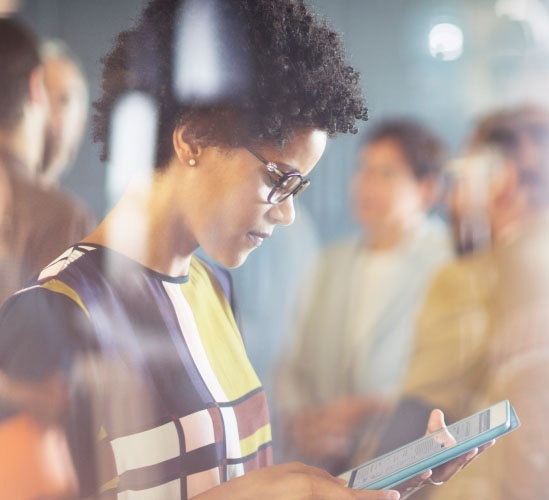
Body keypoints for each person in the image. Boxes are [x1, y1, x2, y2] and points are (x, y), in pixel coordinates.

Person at [0, 2, 489, 499]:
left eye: (298, 188)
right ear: (192, 140)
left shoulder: (212, 287)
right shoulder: (52, 315)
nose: (287, 212)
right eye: (279, 179)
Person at [375, 105, 549, 499]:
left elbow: (407, 448)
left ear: (501, 178)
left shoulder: (469, 281)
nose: (451, 199)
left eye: (462, 176)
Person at [274, 119, 452, 471]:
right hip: (323, 465)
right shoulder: (329, 262)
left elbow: (445, 380)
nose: (365, 184)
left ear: (428, 189)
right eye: (363, 169)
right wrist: (301, 422)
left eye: (386, 173)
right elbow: (291, 363)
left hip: (406, 465)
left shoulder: (449, 268)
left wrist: (366, 410)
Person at [0, 20, 94, 304]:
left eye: (67, 100)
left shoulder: (69, 217)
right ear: (35, 89)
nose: (57, 118)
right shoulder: (68, 221)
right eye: (54, 97)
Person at [38, 39, 90, 188]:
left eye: (64, 100)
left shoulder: (71, 210)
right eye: (44, 95)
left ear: (82, 120)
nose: (53, 114)